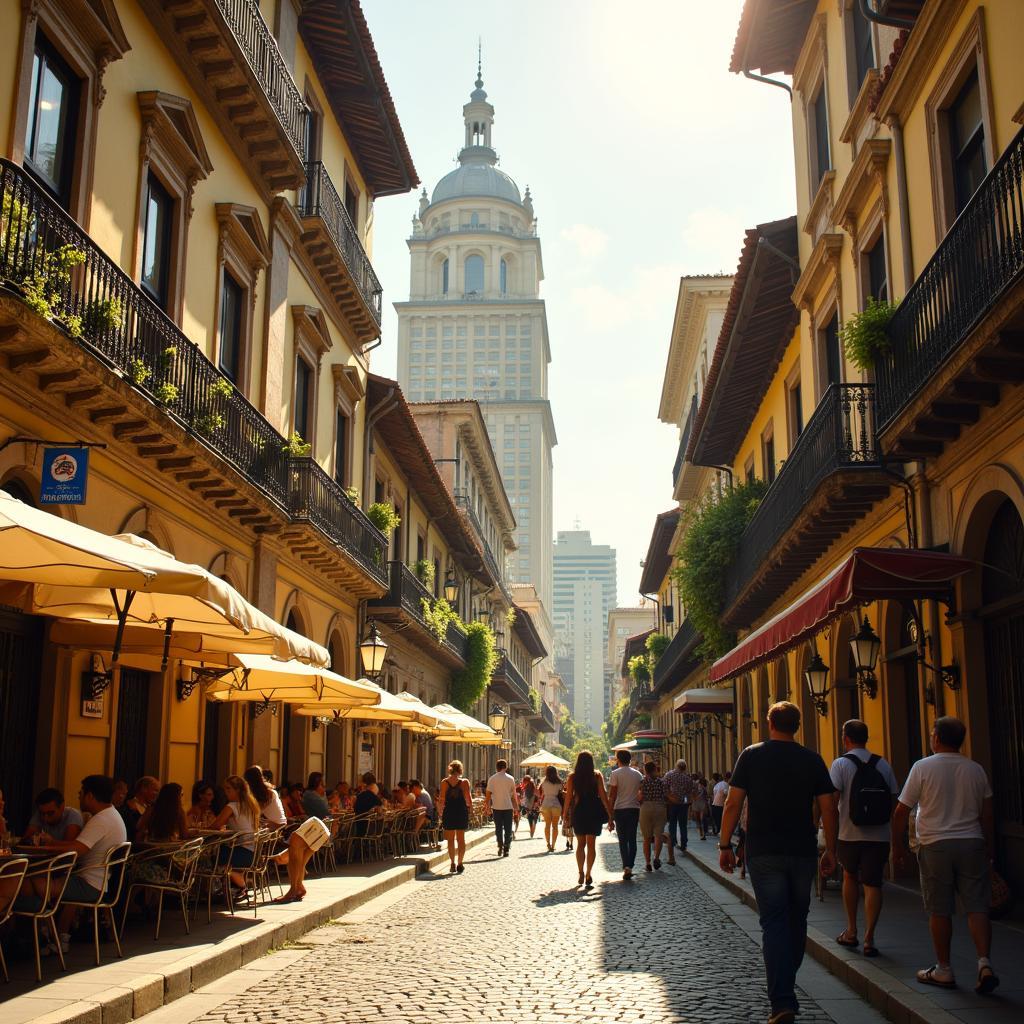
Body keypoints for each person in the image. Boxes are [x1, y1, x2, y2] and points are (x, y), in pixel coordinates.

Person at [718, 701, 837, 1024]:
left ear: (769, 723)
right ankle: (786, 987)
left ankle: (782, 1000)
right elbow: (829, 808)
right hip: (802, 850)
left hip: (764, 851)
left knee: (773, 923)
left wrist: (725, 844)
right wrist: (832, 850)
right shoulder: (812, 759)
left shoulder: (752, 755)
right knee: (798, 920)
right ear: (796, 726)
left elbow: (732, 803)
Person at [892, 716, 998, 995]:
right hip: (972, 841)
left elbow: (902, 810)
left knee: (939, 909)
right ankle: (984, 963)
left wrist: (898, 846)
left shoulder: (923, 767)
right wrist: (989, 846)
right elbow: (987, 813)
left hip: (935, 844)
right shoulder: (975, 769)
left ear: (937, 738)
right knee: (977, 906)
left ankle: (944, 968)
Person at [25, 775, 127, 956]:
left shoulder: (101, 820)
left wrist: (47, 846)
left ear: (90, 796)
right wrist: (52, 844)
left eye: (81, 793)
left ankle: (46, 936)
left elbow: (76, 850)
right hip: (98, 881)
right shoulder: (111, 815)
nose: (79, 796)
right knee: (39, 881)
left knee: (28, 880)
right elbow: (78, 845)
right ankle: (52, 936)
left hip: (88, 885)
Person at [829, 720, 899, 958]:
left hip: (849, 833)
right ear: (866, 738)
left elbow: (833, 799)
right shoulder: (883, 764)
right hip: (879, 834)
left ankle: (851, 930)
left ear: (845, 738)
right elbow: (893, 800)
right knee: (873, 883)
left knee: (849, 876)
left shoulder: (840, 764)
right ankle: (870, 937)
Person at [563, 750, 611, 887]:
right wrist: (610, 814)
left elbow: (568, 798)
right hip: (594, 812)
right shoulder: (597, 776)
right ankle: (589, 872)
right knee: (591, 845)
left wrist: (565, 814)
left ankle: (580, 872)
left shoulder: (572, 777)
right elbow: (603, 796)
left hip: (579, 812)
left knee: (580, 844)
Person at [210, 775, 260, 893]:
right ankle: (234, 883)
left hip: (239, 853)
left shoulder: (231, 806)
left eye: (228, 789)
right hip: (251, 853)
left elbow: (215, 826)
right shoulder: (251, 805)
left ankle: (236, 882)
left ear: (237, 790)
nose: (225, 792)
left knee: (208, 856)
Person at [607, 749, 644, 880]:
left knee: (622, 840)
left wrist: (610, 815)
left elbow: (612, 795)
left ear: (618, 760)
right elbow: (641, 793)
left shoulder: (615, 774)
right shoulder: (638, 774)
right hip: (634, 809)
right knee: (632, 838)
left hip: (620, 809)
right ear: (629, 760)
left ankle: (626, 866)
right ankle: (630, 865)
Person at [438, 760, 471, 873]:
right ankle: (460, 863)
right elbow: (468, 799)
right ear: (460, 770)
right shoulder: (464, 782)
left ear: (450, 769)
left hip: (449, 812)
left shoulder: (444, 782)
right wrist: (470, 808)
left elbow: (441, 799)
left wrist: (440, 812)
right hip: (461, 812)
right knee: (461, 839)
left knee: (450, 840)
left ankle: (452, 863)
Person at [639, 760, 670, 871]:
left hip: (646, 808)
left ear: (645, 771)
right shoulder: (661, 782)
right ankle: (656, 858)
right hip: (659, 807)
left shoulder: (642, 782)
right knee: (658, 835)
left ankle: (648, 862)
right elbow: (666, 795)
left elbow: (640, 797)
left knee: (646, 837)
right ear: (655, 770)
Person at [485, 759, 519, 857]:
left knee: (498, 828)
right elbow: (514, 795)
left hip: (496, 807)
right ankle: (507, 848)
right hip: (508, 807)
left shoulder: (492, 779)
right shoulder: (510, 778)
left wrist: (486, 806)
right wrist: (516, 807)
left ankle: (500, 845)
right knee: (508, 828)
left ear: (497, 767)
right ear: (506, 767)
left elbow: (488, 794)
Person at [662, 759, 697, 856]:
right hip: (683, 804)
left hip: (672, 803)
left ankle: (672, 841)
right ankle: (684, 843)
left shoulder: (669, 775)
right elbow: (691, 791)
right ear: (685, 767)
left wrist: (670, 797)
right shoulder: (688, 777)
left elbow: (664, 787)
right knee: (683, 825)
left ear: (676, 766)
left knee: (672, 823)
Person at [121, 776, 160, 841]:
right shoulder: (128, 808)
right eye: (155, 790)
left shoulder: (152, 808)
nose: (157, 794)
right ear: (143, 789)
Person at [538, 766, 563, 852]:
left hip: (546, 804)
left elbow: (539, 793)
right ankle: (553, 844)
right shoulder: (559, 782)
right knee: (555, 826)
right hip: (556, 804)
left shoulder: (543, 782)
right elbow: (561, 792)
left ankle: (548, 843)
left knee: (547, 825)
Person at [690, 776, 709, 841]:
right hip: (697, 804)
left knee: (701, 819)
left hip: (700, 804)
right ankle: (701, 832)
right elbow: (691, 794)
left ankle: (703, 834)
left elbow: (707, 796)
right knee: (698, 820)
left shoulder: (704, 788)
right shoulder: (695, 787)